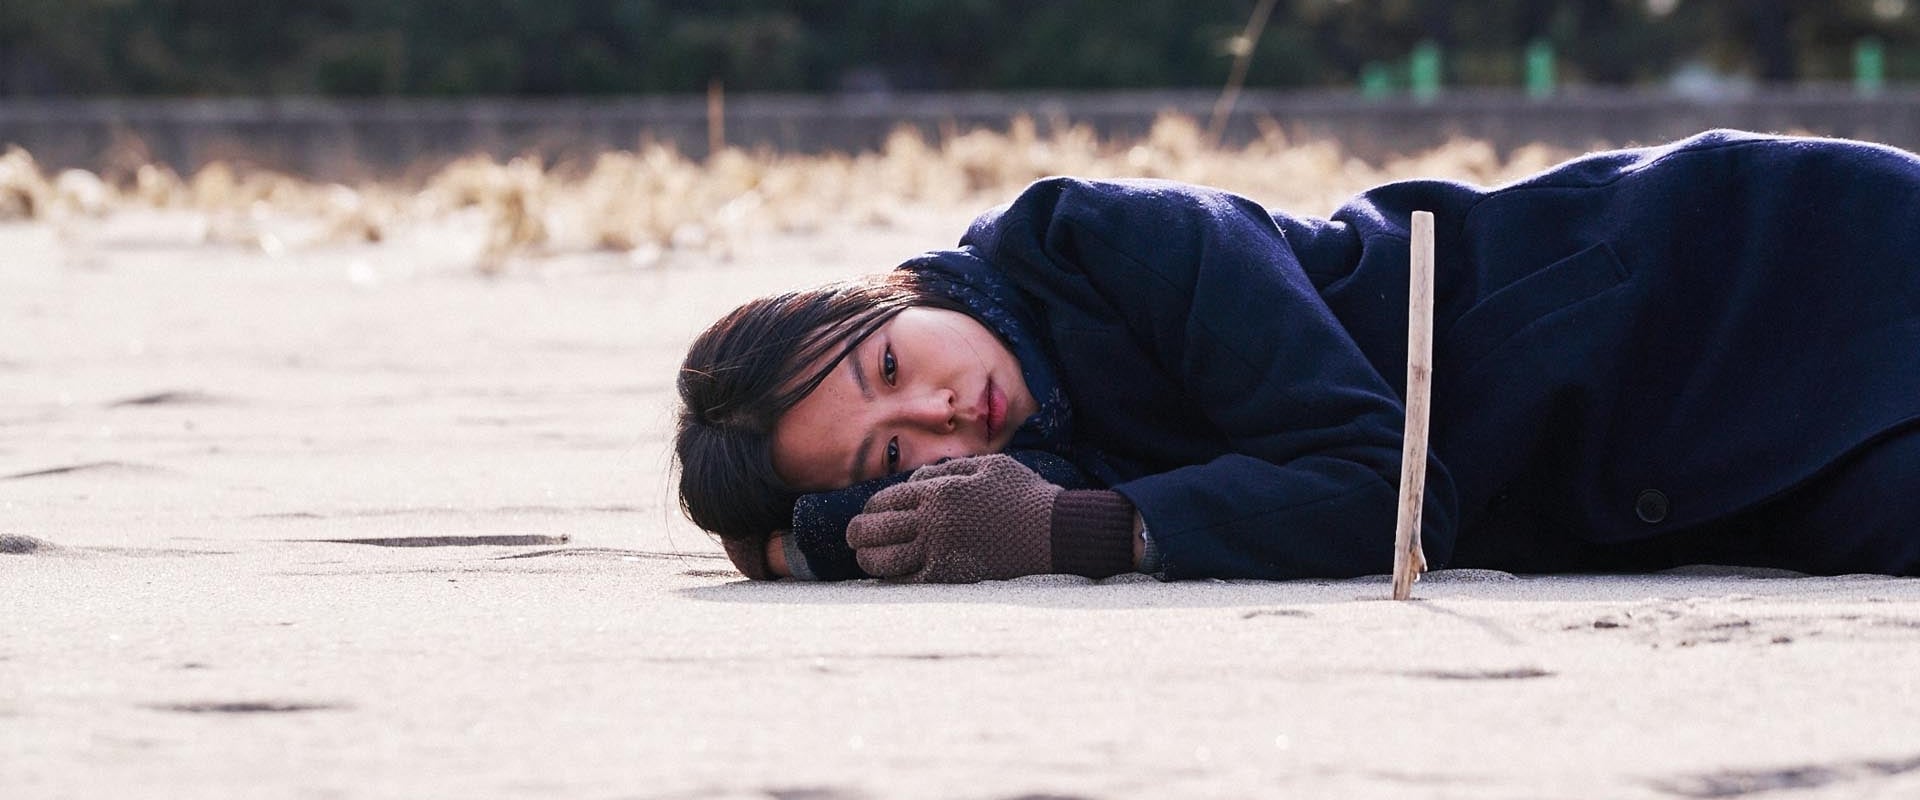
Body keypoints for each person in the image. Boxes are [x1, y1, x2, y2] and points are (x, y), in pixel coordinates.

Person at [674, 129, 1920, 583]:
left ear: (886, 291)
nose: (952, 415)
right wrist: (817, 540)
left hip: (1730, 277)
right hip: (1681, 477)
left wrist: (1075, 531)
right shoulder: (1029, 451)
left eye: (892, 364)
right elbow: (877, 521)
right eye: (899, 456)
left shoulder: (1110, 239)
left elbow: (1390, 487)